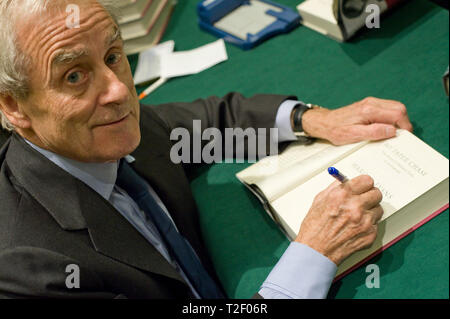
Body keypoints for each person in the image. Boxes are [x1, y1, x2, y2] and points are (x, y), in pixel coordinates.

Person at [0, 0, 413, 299]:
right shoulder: (29, 270)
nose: (119, 90)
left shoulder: (111, 125)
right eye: (74, 76)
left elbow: (216, 122)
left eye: (113, 55)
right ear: (13, 106)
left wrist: (309, 119)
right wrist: (312, 255)